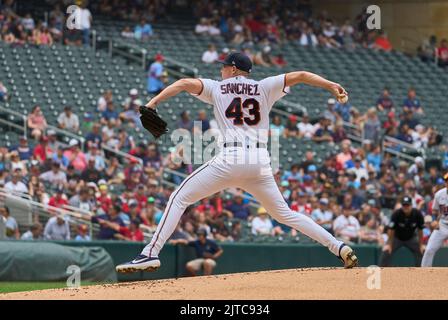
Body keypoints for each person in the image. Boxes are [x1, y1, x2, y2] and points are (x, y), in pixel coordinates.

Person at [116, 51, 358, 273]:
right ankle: (338, 247)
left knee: (179, 198)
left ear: (233, 69)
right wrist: (330, 85)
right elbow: (302, 75)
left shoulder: (216, 88)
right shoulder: (265, 86)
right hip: (260, 161)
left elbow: (182, 83)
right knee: (285, 214)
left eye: (224, 67)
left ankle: (150, 253)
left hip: (231, 158)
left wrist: (152, 103)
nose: (221, 71)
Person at [379, 196, 425, 267]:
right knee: (386, 250)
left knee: (422, 251)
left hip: (411, 238)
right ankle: (382, 269)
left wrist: (421, 244)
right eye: (404, 205)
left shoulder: (417, 214)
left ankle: (422, 270)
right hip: (397, 238)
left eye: (407, 205)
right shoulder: (397, 213)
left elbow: (420, 230)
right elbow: (391, 230)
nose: (406, 207)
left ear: (411, 205)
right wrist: (389, 244)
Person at [421, 173, 448, 267]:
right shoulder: (439, 194)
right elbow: (434, 210)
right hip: (443, 225)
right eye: (447, 181)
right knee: (429, 249)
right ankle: (424, 274)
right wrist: (434, 220)